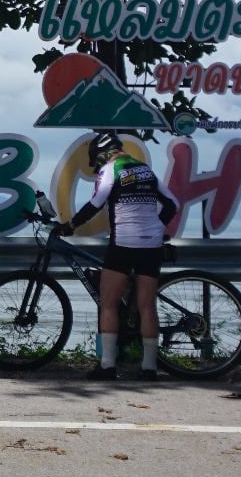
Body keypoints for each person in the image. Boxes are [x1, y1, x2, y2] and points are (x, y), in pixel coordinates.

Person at [56, 131, 176, 380]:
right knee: (147, 306)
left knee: (108, 303)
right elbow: (173, 203)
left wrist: (70, 226)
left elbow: (97, 202)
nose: (97, 166)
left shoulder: (111, 169)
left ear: (103, 154)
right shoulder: (145, 170)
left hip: (123, 242)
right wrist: (157, 226)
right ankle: (149, 368)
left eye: (97, 160)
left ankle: (108, 365)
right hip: (151, 244)